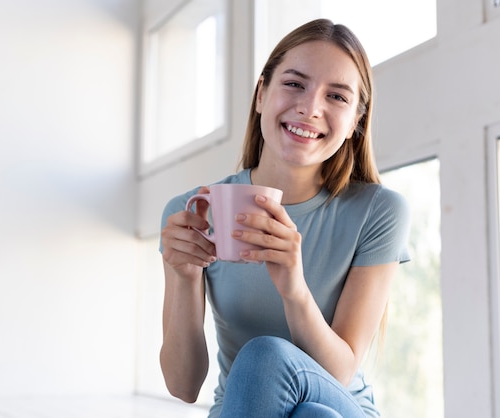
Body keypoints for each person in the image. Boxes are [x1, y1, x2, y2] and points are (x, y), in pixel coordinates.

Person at [159, 18, 410, 418]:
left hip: (343, 404)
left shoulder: (378, 212)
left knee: (269, 358)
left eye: (338, 97)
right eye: (294, 84)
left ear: (355, 123)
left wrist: (294, 288)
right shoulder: (192, 212)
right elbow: (183, 385)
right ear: (261, 94)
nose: (310, 108)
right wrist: (185, 276)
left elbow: (339, 372)